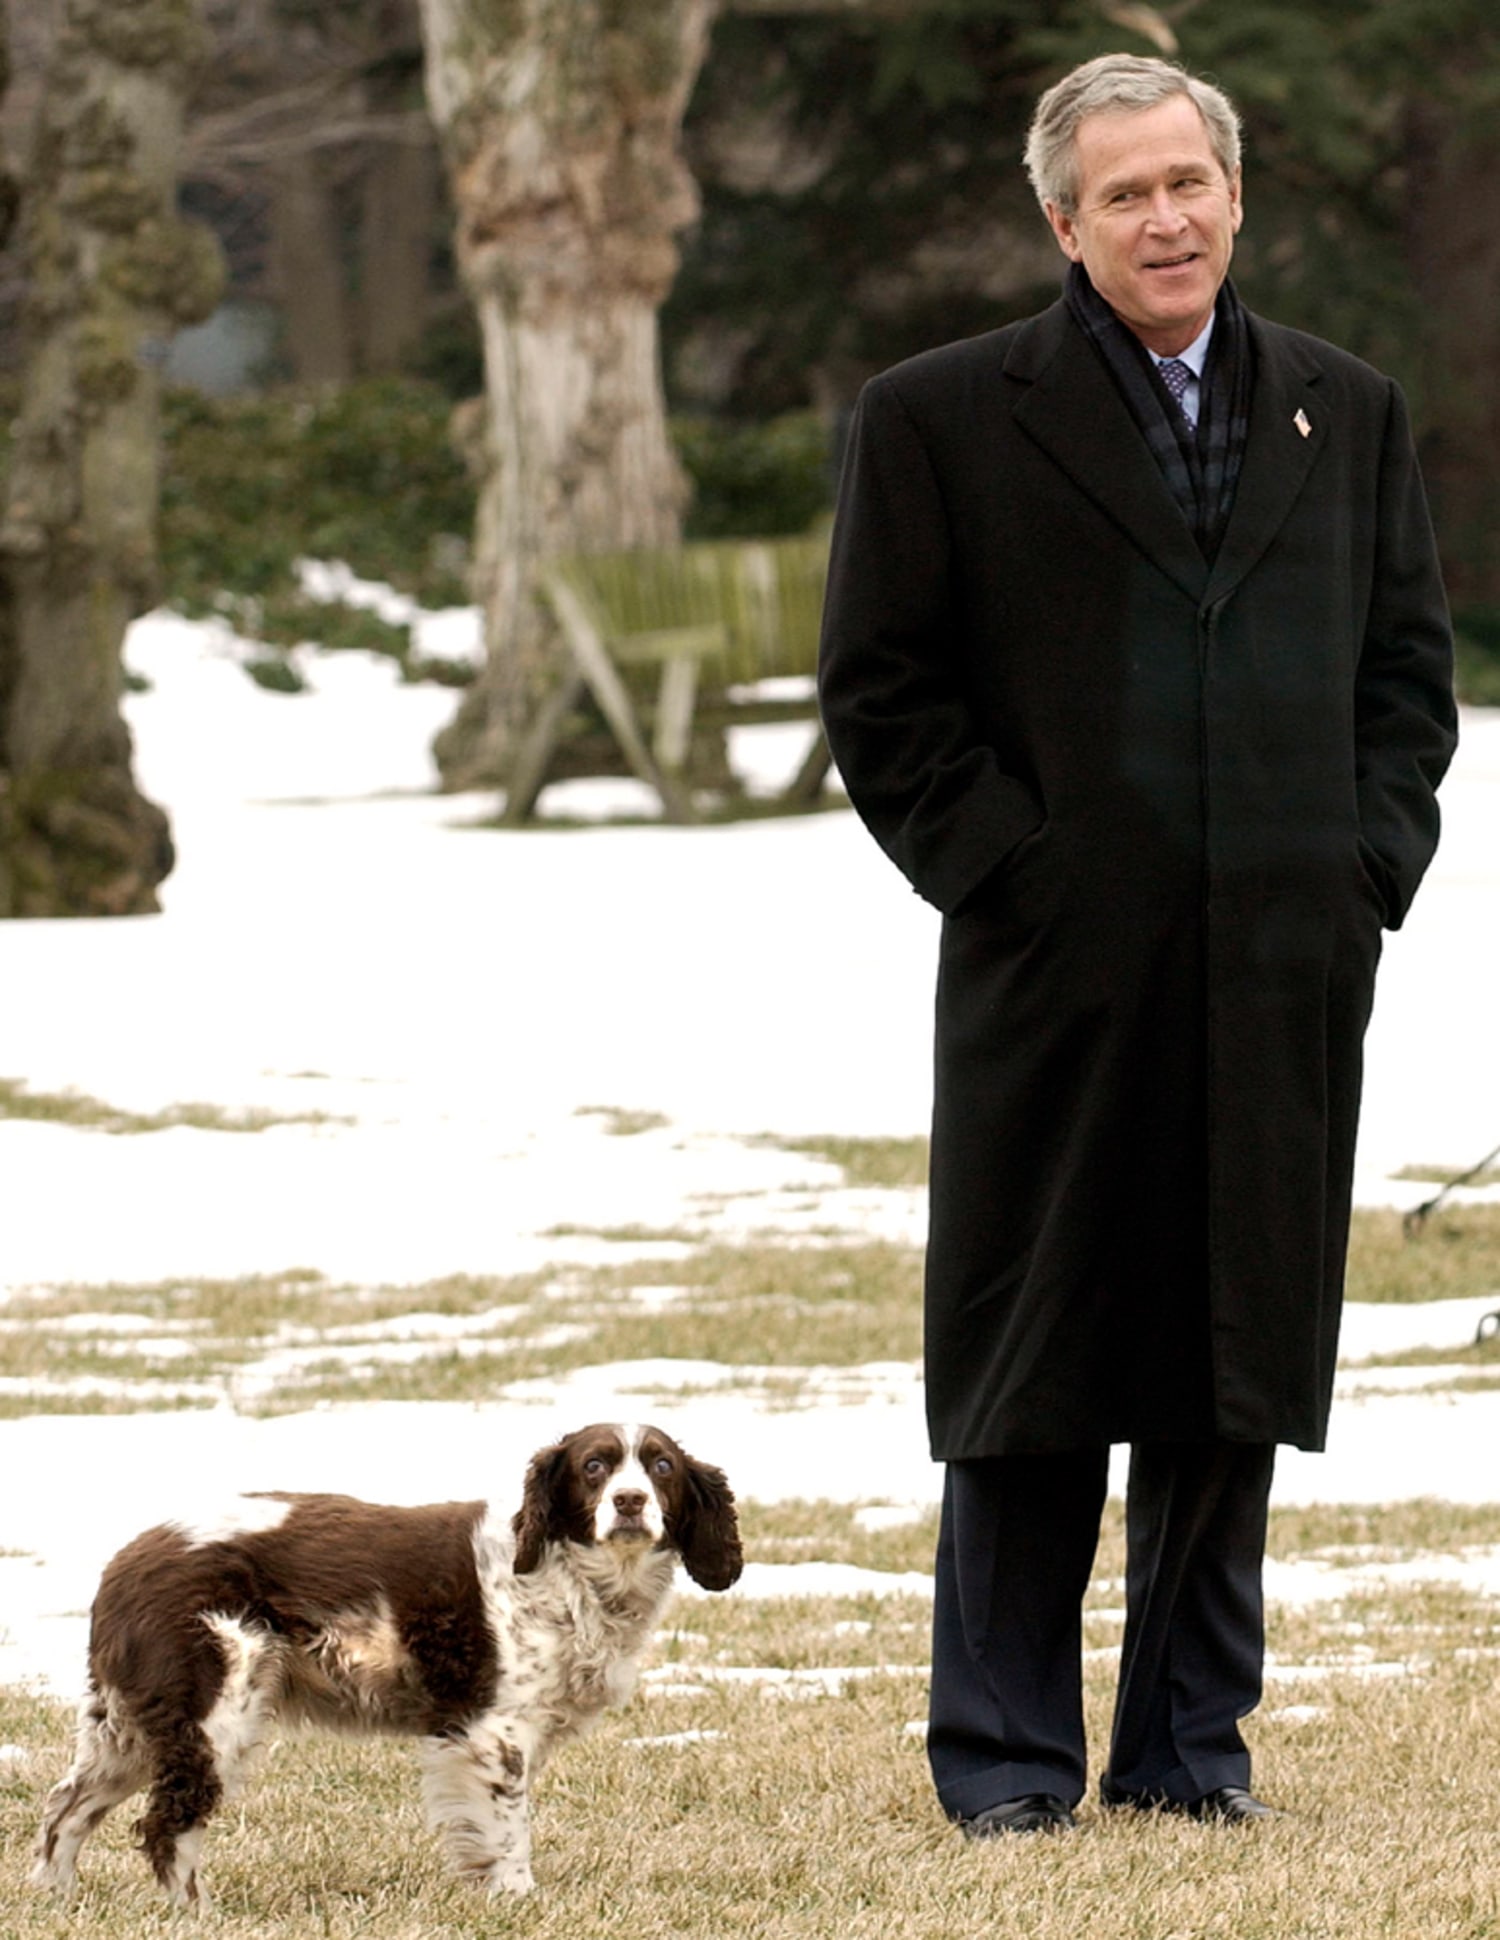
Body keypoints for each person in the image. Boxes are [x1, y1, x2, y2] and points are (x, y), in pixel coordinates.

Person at [817, 53, 1456, 1837]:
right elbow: (883, 693)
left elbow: (1408, 683)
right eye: (1125, 194)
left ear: (1236, 193)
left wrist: (1359, 874)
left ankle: (1190, 1752)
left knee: (1228, 1365)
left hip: (1278, 971)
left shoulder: (1348, 409)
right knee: (1036, 1365)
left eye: (1190, 182)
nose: (1165, 217)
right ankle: (1007, 1762)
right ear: (1063, 221)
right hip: (1054, 981)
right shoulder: (938, 416)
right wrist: (1012, 878)